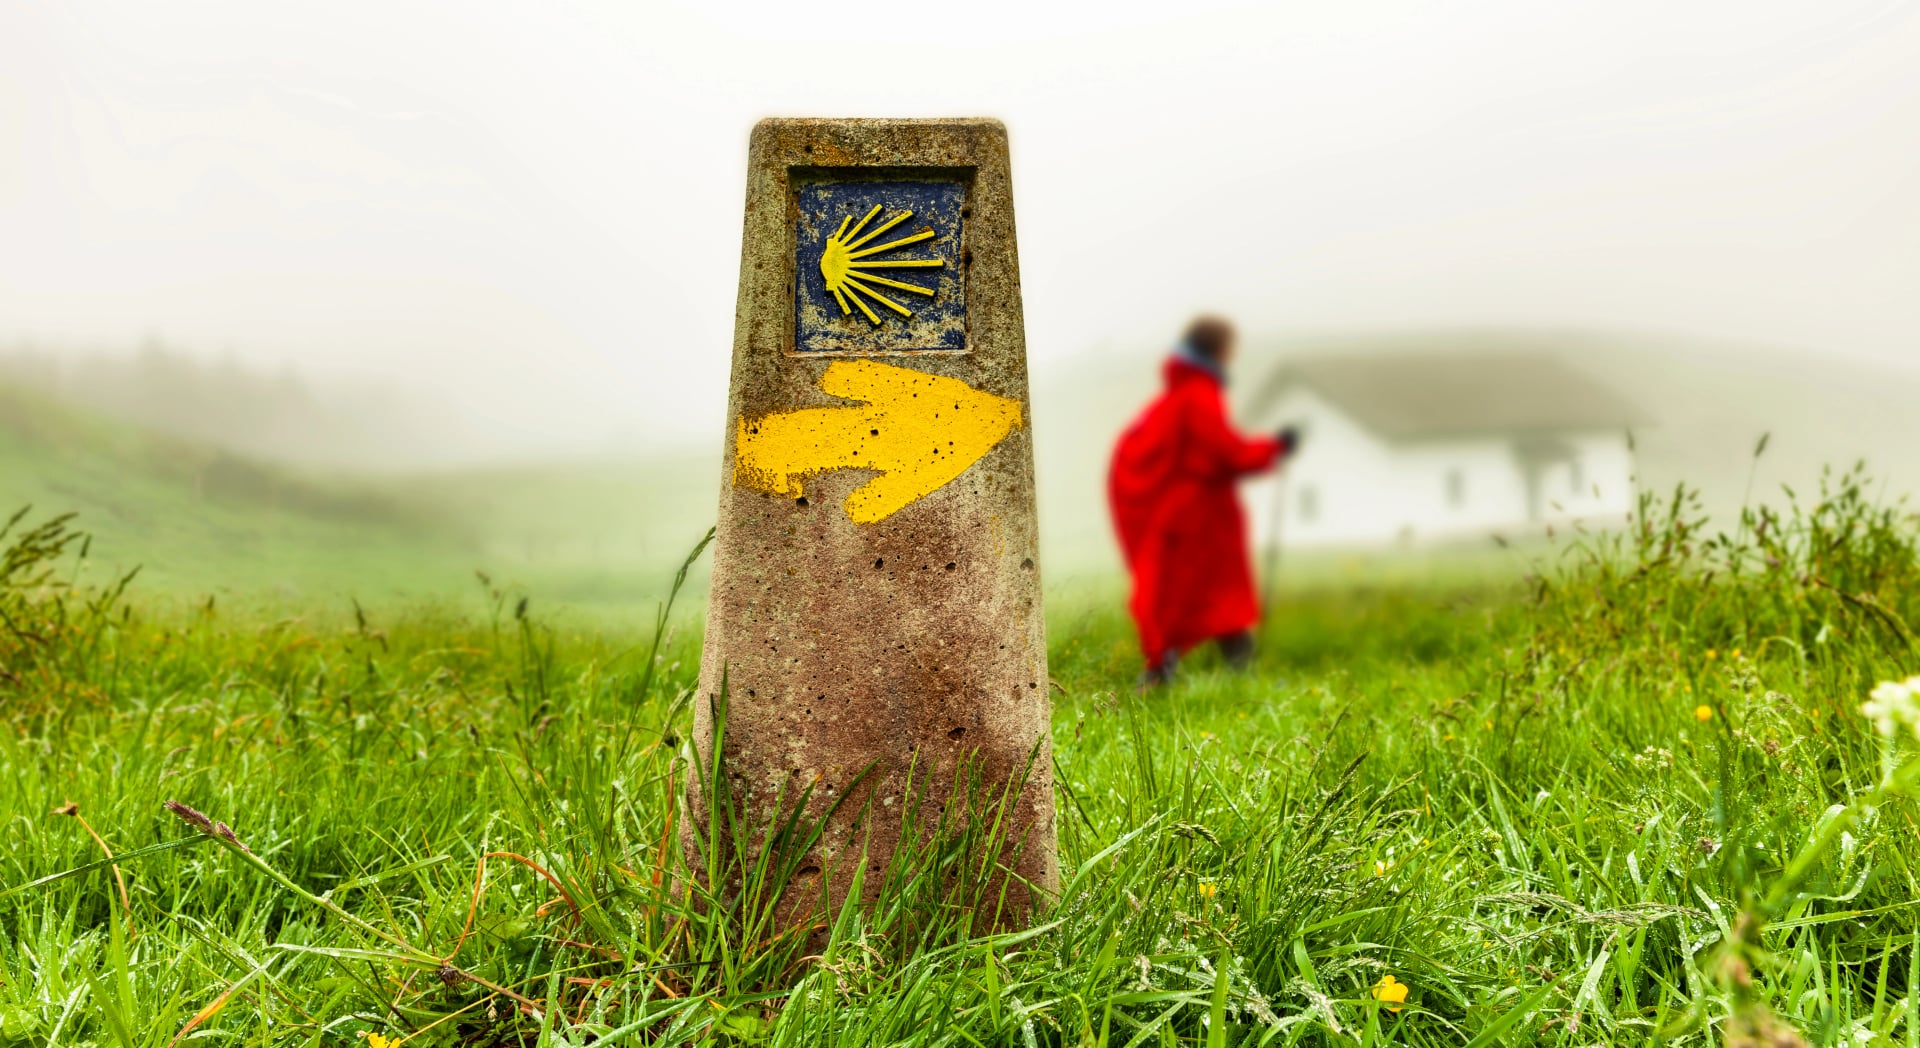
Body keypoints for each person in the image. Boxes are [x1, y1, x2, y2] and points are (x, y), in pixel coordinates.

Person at [1107, 316, 1299, 686]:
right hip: (1200, 519)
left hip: (1186, 513)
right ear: (1217, 349)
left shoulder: (1178, 395)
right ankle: (1179, 675)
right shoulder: (1199, 394)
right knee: (1212, 595)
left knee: (1183, 596)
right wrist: (1276, 446)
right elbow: (1228, 454)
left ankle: (1173, 672)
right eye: (1229, 346)